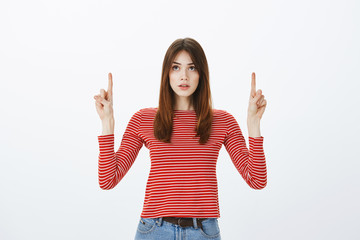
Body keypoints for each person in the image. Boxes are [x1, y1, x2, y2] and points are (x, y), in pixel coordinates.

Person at [93, 37, 267, 240]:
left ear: (202, 74)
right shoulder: (143, 119)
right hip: (154, 230)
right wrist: (107, 122)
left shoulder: (223, 121)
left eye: (191, 68)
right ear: (167, 73)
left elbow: (257, 180)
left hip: (203, 231)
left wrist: (253, 124)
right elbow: (107, 180)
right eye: (176, 68)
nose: (183, 76)